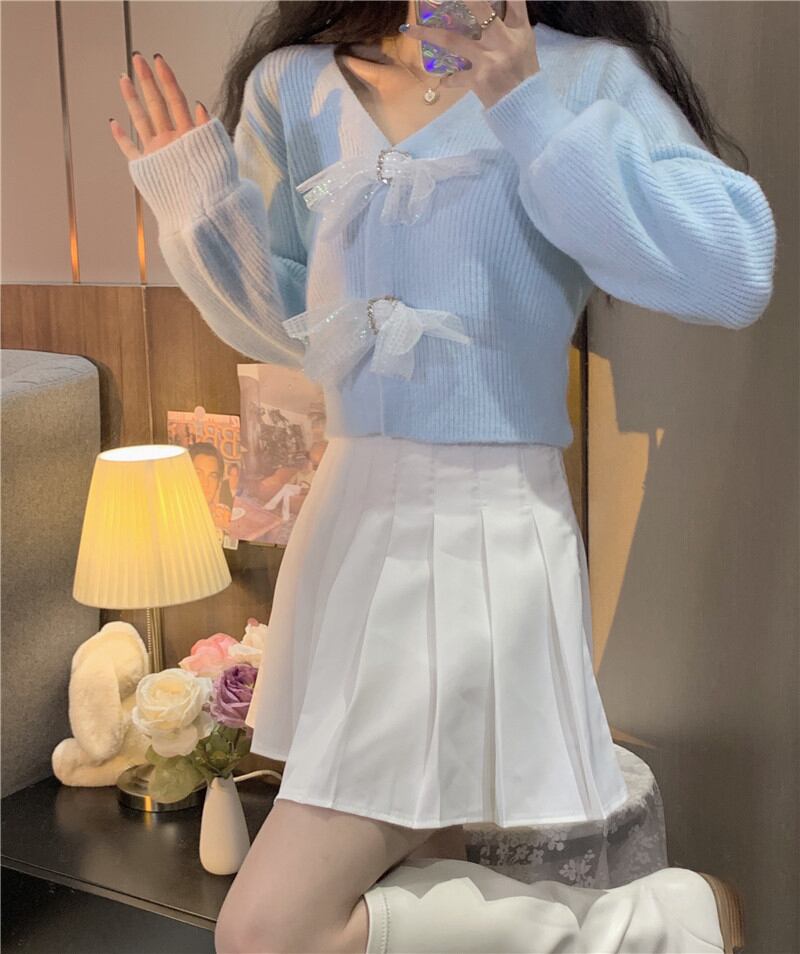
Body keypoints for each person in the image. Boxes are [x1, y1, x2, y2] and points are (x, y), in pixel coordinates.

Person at [111, 2, 774, 951]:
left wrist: (527, 107)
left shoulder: (581, 74)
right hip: (348, 523)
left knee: (265, 932)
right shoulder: (294, 85)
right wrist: (199, 206)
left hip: (486, 525)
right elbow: (301, 330)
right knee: (419, 877)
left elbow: (733, 270)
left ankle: (657, 924)